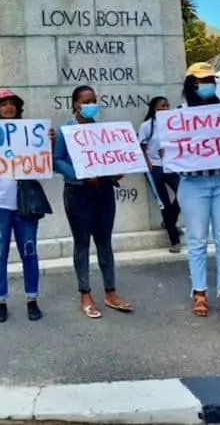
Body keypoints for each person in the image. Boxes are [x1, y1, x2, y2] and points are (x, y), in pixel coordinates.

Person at [0, 89, 54, 323]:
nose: (8, 107)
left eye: (11, 104)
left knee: (29, 252)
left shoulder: (31, 134)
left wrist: (48, 144)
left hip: (24, 205)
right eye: (3, 104)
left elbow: (46, 165)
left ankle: (32, 299)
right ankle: (1, 301)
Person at [53, 85, 132, 319]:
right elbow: (57, 161)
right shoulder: (65, 131)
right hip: (78, 193)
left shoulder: (102, 130)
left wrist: (114, 172)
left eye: (94, 100)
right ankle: (85, 294)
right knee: (82, 243)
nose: (90, 105)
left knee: (105, 242)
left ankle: (110, 291)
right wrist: (80, 174)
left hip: (104, 191)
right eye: (86, 101)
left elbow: (109, 158)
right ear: (76, 103)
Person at [176, 63, 220, 321]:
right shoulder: (178, 115)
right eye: (202, 80)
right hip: (193, 184)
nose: (208, 84)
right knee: (197, 240)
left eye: (211, 80)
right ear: (191, 84)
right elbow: (165, 148)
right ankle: (199, 293)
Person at [139, 96, 181, 253]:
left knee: (183, 193)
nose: (166, 108)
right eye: (163, 106)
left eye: (168, 105)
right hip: (154, 168)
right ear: (154, 109)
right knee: (164, 204)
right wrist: (147, 162)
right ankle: (174, 240)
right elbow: (141, 145)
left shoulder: (173, 125)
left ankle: (170, 220)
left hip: (170, 166)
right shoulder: (147, 126)